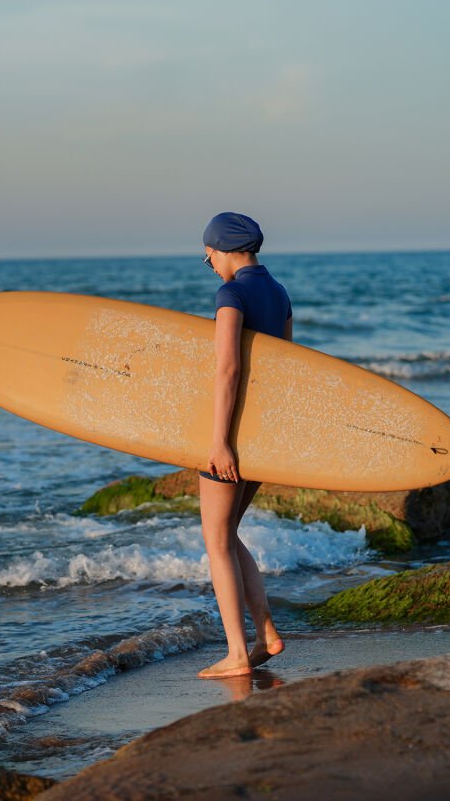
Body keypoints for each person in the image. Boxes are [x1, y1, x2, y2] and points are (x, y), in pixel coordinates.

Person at [197, 211, 293, 680]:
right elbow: (288, 370)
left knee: (216, 541)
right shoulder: (279, 293)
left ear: (225, 248)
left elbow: (227, 369)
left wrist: (219, 442)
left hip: (233, 437)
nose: (207, 259)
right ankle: (265, 635)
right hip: (263, 438)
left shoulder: (230, 293)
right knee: (229, 534)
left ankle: (236, 654)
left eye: (208, 251)